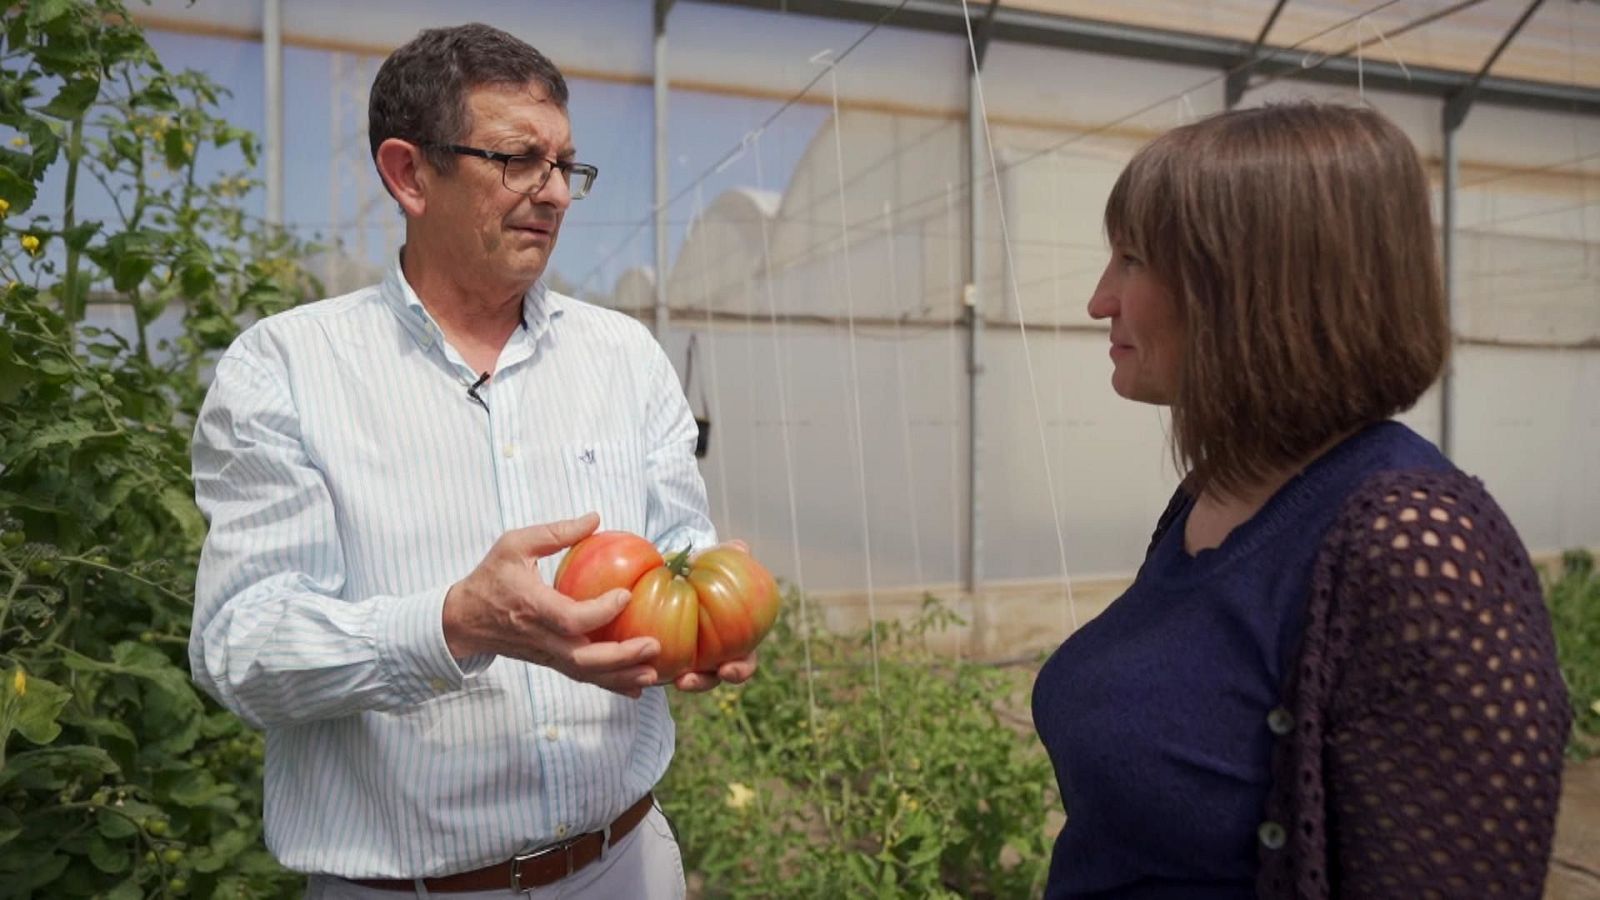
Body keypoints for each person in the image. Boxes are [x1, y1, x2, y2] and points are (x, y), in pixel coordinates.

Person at [189, 23, 753, 898]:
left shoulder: (623, 357)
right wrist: (454, 623)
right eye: (519, 160)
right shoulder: (287, 369)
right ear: (410, 174)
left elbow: (677, 547)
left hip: (625, 867)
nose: (556, 192)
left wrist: (706, 626)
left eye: (566, 165)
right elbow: (243, 648)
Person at [1032, 102, 1571, 899]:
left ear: (1252, 288)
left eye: (1135, 259)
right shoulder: (1214, 496)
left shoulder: (1416, 545)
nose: (1100, 299)